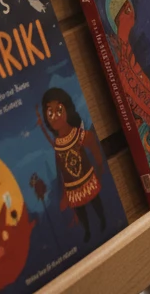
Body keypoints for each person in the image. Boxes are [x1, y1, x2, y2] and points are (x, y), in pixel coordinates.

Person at [35, 87, 107, 243]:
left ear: (67, 109)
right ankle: (87, 230)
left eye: (59, 110)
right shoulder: (58, 144)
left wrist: (99, 166)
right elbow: (61, 169)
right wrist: (64, 194)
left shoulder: (77, 134)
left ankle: (102, 220)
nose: (55, 117)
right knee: (80, 211)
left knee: (96, 202)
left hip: (87, 179)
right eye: (50, 113)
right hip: (72, 187)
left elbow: (91, 140)